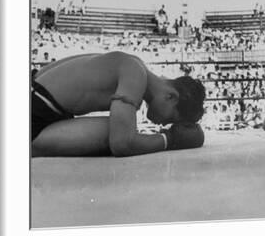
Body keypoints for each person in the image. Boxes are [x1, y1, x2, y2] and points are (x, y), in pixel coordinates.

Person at [31, 51, 206, 157]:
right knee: (118, 132)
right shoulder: (135, 73)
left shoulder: (135, 64)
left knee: (119, 127)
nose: (164, 124)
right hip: (34, 112)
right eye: (171, 119)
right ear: (171, 97)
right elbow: (122, 144)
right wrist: (170, 139)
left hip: (38, 104)